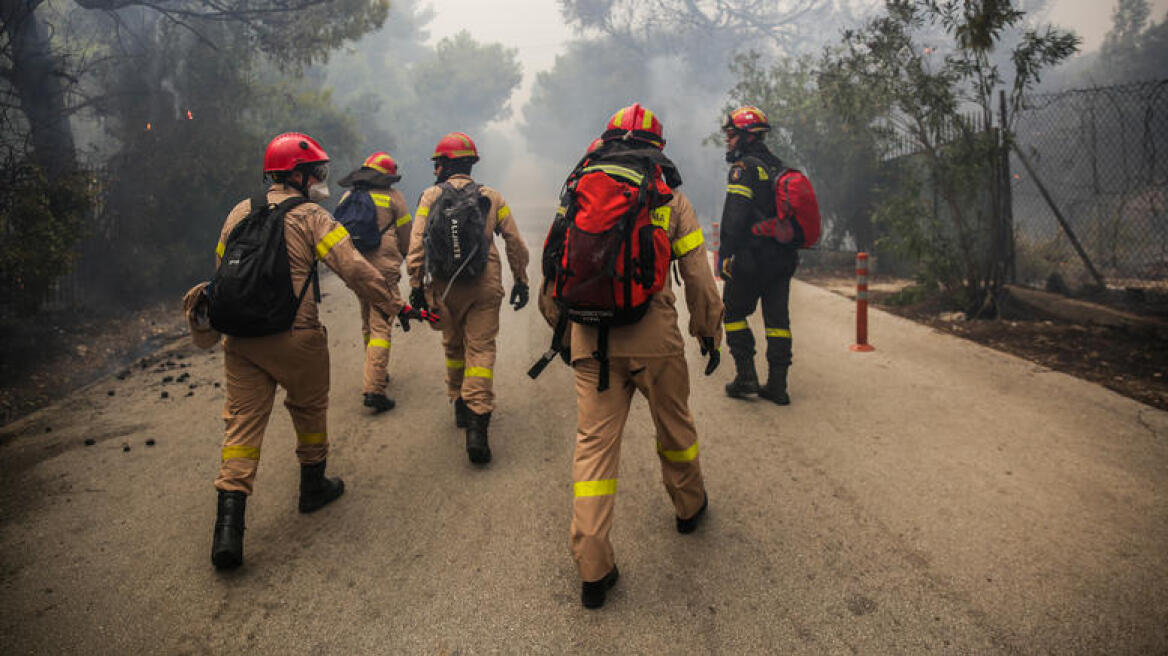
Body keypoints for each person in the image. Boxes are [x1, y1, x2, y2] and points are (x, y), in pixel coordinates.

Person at [537, 103, 724, 609]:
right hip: (654, 339)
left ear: (608, 140)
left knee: (594, 448)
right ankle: (689, 508)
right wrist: (708, 330)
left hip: (590, 341)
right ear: (656, 150)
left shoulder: (578, 188)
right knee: (675, 427)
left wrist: (564, 331)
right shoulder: (669, 199)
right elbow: (699, 278)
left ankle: (593, 566)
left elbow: (553, 267)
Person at [208, 132, 406, 570]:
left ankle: (227, 531)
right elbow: (354, 269)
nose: (320, 179)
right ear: (297, 176)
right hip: (295, 334)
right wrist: (395, 304)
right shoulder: (312, 216)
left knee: (241, 427)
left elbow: (222, 267)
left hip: (240, 339)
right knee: (310, 408)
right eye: (316, 172)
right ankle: (313, 487)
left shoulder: (240, 211)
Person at [405, 132, 530, 465]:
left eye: (437, 164)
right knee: (481, 349)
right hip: (484, 284)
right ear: (471, 164)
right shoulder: (492, 197)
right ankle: (477, 425)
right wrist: (521, 279)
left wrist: (416, 284)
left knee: (453, 345)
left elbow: (416, 244)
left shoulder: (430, 196)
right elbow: (514, 242)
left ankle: (459, 401)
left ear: (444, 165)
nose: (435, 169)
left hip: (443, 286)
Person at [718, 105, 799, 405]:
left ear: (747, 136)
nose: (728, 140)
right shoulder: (779, 167)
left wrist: (725, 254)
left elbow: (735, 217)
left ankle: (746, 376)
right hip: (782, 259)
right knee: (778, 321)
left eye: (731, 134)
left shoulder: (744, 168)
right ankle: (778, 385)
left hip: (752, 258)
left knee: (733, 312)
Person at [335, 152, 413, 413]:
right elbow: (406, 235)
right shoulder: (393, 197)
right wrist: (409, 259)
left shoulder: (348, 196)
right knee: (381, 324)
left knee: (368, 319)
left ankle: (374, 369)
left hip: (356, 268)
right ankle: (374, 388)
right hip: (383, 268)